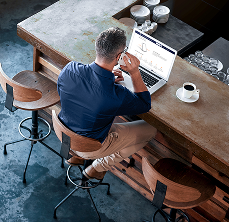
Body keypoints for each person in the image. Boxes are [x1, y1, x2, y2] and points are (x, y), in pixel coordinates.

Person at [57, 27, 157, 180]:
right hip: (92, 146)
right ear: (119, 56)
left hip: (65, 134)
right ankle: (98, 166)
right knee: (150, 129)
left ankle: (76, 154)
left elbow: (76, 96)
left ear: (97, 46)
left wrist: (107, 79)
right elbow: (144, 104)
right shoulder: (115, 95)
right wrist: (135, 72)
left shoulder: (69, 69)